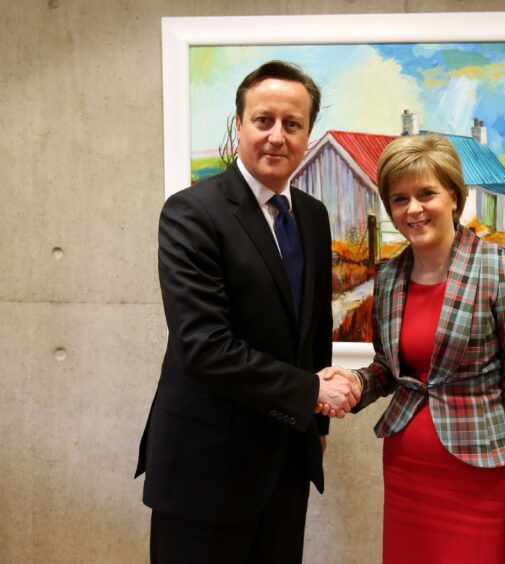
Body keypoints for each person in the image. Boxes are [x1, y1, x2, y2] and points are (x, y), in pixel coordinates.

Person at [135, 60, 360, 564]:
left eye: (292, 124)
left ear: (307, 135)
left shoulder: (313, 216)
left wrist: (317, 424)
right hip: (205, 467)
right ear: (239, 126)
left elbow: (314, 330)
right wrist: (310, 393)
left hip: (284, 462)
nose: (277, 136)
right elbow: (203, 347)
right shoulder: (191, 213)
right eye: (263, 120)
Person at [320, 134, 505, 563]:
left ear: (454, 197)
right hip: (408, 471)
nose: (413, 209)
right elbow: (390, 368)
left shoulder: (502, 268)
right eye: (399, 198)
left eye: (427, 194)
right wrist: (354, 381)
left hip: (482, 479)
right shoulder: (390, 276)